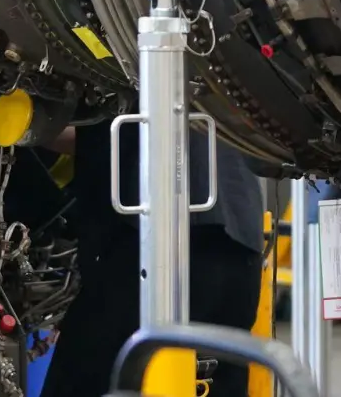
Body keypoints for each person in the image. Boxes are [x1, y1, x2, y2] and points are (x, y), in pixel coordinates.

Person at [40, 122, 267, 397]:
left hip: (149, 239)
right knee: (217, 378)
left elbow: (92, 130)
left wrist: (33, 129)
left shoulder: (136, 84)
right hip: (238, 235)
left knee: (83, 378)